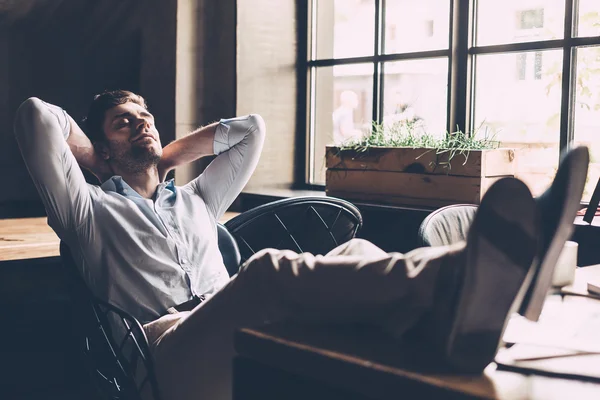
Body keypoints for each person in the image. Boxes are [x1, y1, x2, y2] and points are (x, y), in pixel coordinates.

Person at [14, 90, 589, 400]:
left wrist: (162, 153)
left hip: (247, 332)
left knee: (356, 254)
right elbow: (35, 117)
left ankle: (454, 312)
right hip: (168, 363)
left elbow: (250, 131)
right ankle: (472, 275)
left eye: (147, 116)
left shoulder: (194, 200)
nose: (142, 123)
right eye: (123, 122)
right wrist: (100, 158)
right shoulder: (88, 212)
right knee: (265, 272)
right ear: (99, 150)